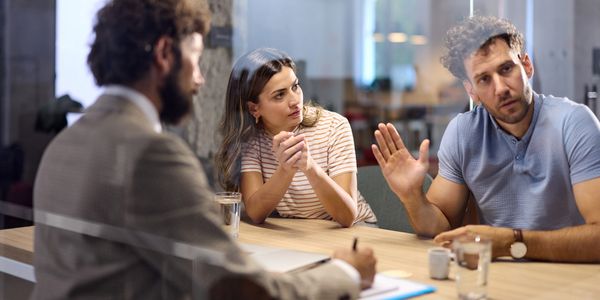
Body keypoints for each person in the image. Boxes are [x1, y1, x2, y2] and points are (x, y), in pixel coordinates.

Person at [32, 0, 376, 299]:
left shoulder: (65, 144)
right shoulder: (149, 155)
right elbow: (244, 290)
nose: (199, 79)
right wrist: (344, 274)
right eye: (195, 59)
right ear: (166, 54)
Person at [372, 15, 600, 262]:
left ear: (526, 66)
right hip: (496, 275)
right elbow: (439, 229)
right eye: (484, 79)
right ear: (471, 90)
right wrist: (412, 196)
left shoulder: (574, 122)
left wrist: (511, 242)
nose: (501, 88)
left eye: (506, 69)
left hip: (569, 275)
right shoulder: (463, 132)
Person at [216, 48, 376, 227]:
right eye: (279, 95)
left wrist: (310, 167)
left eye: (295, 86)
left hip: (356, 229)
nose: (295, 100)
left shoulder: (334, 126)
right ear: (254, 109)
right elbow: (255, 212)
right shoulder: (251, 140)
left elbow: (347, 217)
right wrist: (285, 170)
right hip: (300, 230)